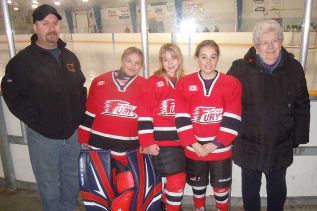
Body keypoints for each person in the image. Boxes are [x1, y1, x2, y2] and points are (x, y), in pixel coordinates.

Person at [1, 4, 86, 211]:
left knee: (72, 182)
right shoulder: (22, 62)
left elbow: (80, 88)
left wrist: (78, 119)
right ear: (35, 27)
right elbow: (13, 97)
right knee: (49, 188)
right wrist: (39, 122)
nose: (51, 28)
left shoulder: (69, 57)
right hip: (44, 138)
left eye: (55, 23)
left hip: (72, 135)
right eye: (45, 23)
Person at [227, 20, 310, 211]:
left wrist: (297, 138)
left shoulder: (294, 68)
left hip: (280, 142)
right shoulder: (240, 68)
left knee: (277, 186)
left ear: (281, 42)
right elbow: (224, 97)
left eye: (275, 41)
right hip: (249, 141)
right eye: (265, 43)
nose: (270, 47)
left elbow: (302, 105)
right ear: (256, 46)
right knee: (250, 187)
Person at [78, 47, 161, 210]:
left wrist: (147, 142)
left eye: (137, 63)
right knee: (103, 192)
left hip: (128, 150)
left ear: (141, 65)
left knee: (127, 190)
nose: (133, 66)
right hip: (99, 147)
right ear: (122, 60)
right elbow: (89, 113)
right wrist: (83, 138)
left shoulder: (145, 85)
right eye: (130, 61)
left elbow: (148, 118)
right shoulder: (100, 81)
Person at [175, 40, 242, 211]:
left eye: (213, 57)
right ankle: (199, 208)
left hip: (220, 150)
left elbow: (233, 118)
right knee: (198, 186)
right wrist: (194, 144)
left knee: (221, 187)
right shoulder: (184, 83)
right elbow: (181, 117)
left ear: (218, 58)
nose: (208, 62)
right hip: (194, 149)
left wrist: (215, 145)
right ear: (197, 58)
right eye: (203, 57)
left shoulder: (231, 83)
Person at [138, 43, 186, 211]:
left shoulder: (185, 82)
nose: (170, 62)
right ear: (160, 62)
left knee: (177, 181)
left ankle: (165, 204)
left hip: (183, 142)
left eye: (173, 58)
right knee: (177, 180)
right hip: (163, 142)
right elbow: (144, 112)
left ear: (180, 59)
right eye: (165, 59)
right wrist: (147, 141)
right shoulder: (153, 82)